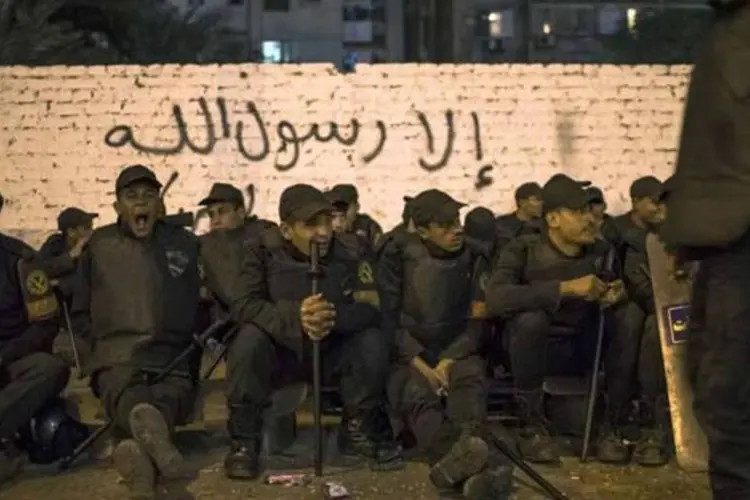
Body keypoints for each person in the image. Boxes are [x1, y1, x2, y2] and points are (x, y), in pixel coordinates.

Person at [221, 184, 402, 480]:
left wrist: (331, 316)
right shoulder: (260, 250)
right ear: (286, 230)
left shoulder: (354, 249)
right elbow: (243, 304)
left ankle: (358, 428)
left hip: (333, 351)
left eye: (327, 221)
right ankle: (244, 441)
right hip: (281, 352)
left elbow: (371, 305)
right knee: (248, 339)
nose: (324, 232)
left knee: (372, 340)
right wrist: (296, 316)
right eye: (311, 225)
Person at [660, 3, 750, 496]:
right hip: (724, 239)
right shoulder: (728, 32)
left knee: (730, 402)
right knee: (719, 395)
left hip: (739, 241)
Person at [71, 164, 202, 499]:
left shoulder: (184, 242)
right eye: (131, 196)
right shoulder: (98, 246)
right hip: (117, 357)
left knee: (169, 395)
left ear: (159, 204)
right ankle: (154, 440)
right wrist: (96, 353)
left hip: (172, 354)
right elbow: (80, 309)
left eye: (148, 195)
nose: (141, 203)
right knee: (129, 393)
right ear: (117, 207)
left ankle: (139, 464)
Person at [379, 189, 513, 499]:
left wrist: (450, 359)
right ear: (422, 230)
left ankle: (462, 465)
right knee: (413, 393)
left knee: (470, 383)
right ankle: (468, 465)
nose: (456, 230)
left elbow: (478, 318)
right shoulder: (396, 255)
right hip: (411, 353)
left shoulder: (475, 256)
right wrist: (418, 362)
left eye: (457, 222)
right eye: (445, 225)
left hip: (457, 348)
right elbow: (387, 318)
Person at [486, 174, 627, 463]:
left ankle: (611, 419)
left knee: (628, 316)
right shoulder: (522, 248)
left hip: (580, 349)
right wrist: (565, 289)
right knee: (531, 319)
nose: (590, 219)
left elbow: (618, 288)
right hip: (530, 351)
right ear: (553, 219)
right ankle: (531, 423)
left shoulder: (603, 252)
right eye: (578, 212)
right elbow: (496, 298)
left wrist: (618, 292)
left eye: (590, 211)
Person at [0, 231, 70, 487]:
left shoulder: (21, 260)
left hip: (12, 358)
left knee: (50, 369)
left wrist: (4, 357)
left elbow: (45, 325)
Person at [617, 184, 670, 466]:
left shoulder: (711, 239)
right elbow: (639, 284)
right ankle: (653, 420)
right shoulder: (642, 242)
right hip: (670, 314)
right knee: (654, 327)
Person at [324, 184, 383, 249]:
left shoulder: (368, 228)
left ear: (357, 207)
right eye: (336, 206)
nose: (340, 210)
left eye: (345, 207)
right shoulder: (325, 222)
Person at [495, 182, 543, 251]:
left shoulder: (543, 226)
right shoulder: (501, 224)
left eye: (542, 200)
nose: (540, 203)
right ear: (522, 202)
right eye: (536, 199)